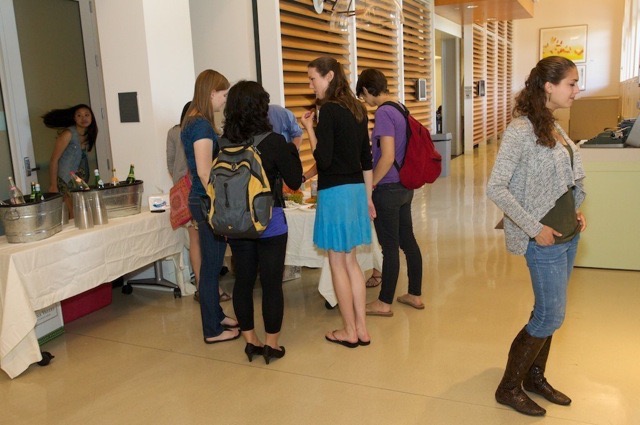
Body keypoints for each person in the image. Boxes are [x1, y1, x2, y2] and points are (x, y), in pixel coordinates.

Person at [487, 56, 587, 417]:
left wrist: (574, 210)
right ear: (549, 86)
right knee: (549, 315)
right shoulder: (520, 130)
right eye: (571, 83)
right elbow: (496, 187)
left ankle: (534, 377)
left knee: (550, 312)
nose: (576, 90)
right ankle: (508, 387)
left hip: (567, 234)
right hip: (543, 240)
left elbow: (563, 179)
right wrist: (534, 228)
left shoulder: (552, 125)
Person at [223, 81, 302, 364]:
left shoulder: (223, 144)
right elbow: (294, 180)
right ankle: (271, 344)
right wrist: (291, 151)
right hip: (270, 222)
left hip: (236, 223)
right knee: (271, 284)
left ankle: (250, 341)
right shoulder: (274, 141)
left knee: (243, 282)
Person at [300, 56, 374, 348]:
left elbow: (324, 159)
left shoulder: (329, 110)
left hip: (335, 193)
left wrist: (309, 129)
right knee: (351, 261)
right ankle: (362, 329)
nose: (311, 85)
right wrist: (368, 198)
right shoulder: (357, 108)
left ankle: (349, 330)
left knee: (337, 262)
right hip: (356, 191)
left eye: (313, 79)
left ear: (329, 76)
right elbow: (366, 159)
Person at [355, 68, 424, 317]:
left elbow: (387, 156)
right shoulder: (400, 107)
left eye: (363, 96)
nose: (365, 101)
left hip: (388, 188)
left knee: (390, 247)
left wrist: (371, 184)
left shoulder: (383, 112)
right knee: (408, 241)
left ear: (366, 90)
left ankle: (384, 302)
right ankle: (414, 294)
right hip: (404, 186)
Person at [181, 69, 240, 344]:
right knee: (211, 267)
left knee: (211, 265)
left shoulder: (191, 121)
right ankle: (212, 330)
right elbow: (205, 172)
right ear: (212, 92)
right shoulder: (202, 126)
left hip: (198, 199)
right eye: (223, 94)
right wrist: (220, 204)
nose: (224, 100)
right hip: (205, 200)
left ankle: (216, 314)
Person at [167, 101, 231, 304]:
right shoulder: (204, 128)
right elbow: (205, 169)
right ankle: (210, 289)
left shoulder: (176, 131)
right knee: (209, 245)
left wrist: (179, 181)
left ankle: (201, 285)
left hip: (184, 188)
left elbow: (170, 161)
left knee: (195, 239)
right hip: (200, 189)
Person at [43, 104, 98, 217]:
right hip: (65, 180)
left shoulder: (88, 134)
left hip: (79, 180)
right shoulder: (68, 134)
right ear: (74, 118)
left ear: (92, 117)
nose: (84, 118)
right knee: (74, 214)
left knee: (81, 213)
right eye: (79, 116)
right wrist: (53, 185)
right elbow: (54, 160)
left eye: (87, 115)